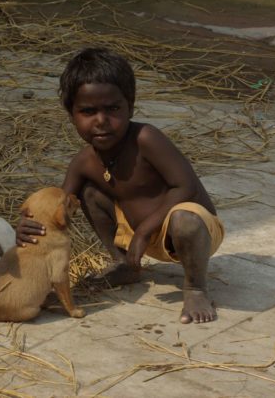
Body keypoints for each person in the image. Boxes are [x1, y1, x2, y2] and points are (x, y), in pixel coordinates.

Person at [16, 47, 225, 324]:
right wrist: (28, 225)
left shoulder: (146, 138)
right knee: (87, 193)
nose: (101, 121)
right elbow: (60, 208)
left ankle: (195, 287)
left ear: (130, 106)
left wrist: (142, 233)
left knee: (184, 218)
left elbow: (185, 187)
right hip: (141, 236)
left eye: (113, 109)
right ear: (71, 115)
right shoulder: (83, 163)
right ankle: (125, 265)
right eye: (88, 111)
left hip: (193, 232)